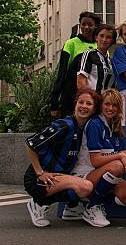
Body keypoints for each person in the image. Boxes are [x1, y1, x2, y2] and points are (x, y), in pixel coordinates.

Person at [24, 88, 99, 227]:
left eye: (89, 104)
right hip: (38, 178)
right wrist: (40, 172)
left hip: (59, 176)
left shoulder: (86, 128)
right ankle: (38, 203)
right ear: (75, 105)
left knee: (84, 185)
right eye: (80, 102)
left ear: (94, 109)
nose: (84, 106)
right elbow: (31, 144)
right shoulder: (64, 125)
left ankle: (71, 208)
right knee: (86, 186)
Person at [69, 89, 126, 227]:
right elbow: (96, 160)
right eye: (107, 104)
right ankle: (93, 206)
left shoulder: (112, 125)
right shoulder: (95, 124)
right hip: (84, 174)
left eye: (114, 105)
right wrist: (121, 156)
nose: (110, 108)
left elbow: (116, 153)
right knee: (117, 166)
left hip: (100, 172)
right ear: (101, 105)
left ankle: (77, 205)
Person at [50, 11, 101, 117]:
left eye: (90, 25)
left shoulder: (99, 46)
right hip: (70, 94)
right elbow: (62, 72)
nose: (86, 27)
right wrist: (54, 102)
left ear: (95, 26)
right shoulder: (71, 43)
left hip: (92, 96)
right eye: (83, 24)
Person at [77, 24, 116, 94]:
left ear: (112, 41)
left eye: (108, 37)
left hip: (106, 102)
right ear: (96, 38)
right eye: (101, 36)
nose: (104, 40)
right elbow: (81, 80)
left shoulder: (111, 61)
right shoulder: (89, 55)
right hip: (93, 100)